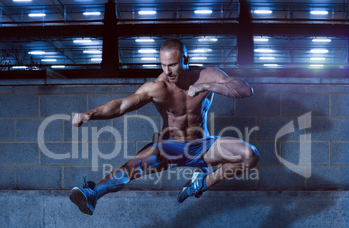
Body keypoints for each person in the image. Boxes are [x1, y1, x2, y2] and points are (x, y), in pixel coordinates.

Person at [69, 39, 259, 215]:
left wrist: (206, 87)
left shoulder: (207, 76)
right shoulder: (158, 87)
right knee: (132, 167)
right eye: (163, 65)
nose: (167, 71)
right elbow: (121, 105)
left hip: (202, 145)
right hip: (169, 147)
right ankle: (94, 194)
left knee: (250, 155)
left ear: (185, 60)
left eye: (172, 65)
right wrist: (89, 114)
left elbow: (246, 90)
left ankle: (203, 182)